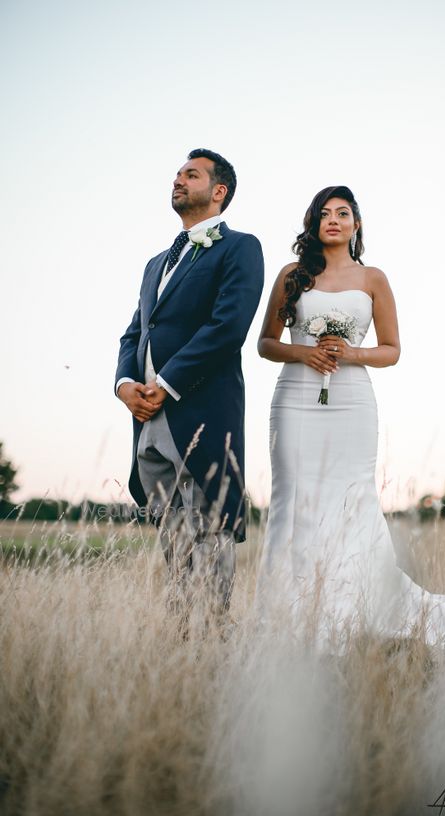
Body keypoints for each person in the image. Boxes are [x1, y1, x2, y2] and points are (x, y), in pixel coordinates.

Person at [254, 185, 445, 652]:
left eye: (343, 213)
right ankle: (284, 616)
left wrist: (351, 352)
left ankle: (351, 609)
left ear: (356, 225)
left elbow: (393, 350)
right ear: (313, 224)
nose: (333, 220)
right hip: (295, 398)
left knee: (350, 499)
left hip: (352, 402)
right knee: (292, 499)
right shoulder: (293, 275)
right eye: (324, 214)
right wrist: (304, 352)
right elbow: (265, 343)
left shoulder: (373, 279)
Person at [115, 148, 264, 629]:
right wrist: (124, 385)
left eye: (191, 174)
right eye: (178, 173)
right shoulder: (155, 264)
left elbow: (228, 326)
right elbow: (135, 332)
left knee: (210, 528)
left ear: (218, 191)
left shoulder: (239, 247)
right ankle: (182, 639)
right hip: (148, 420)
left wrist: (169, 382)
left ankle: (212, 637)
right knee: (172, 535)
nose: (178, 180)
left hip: (201, 412)